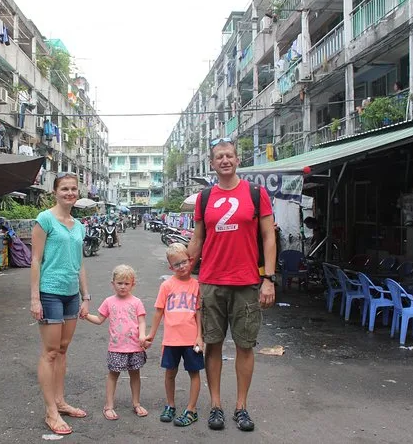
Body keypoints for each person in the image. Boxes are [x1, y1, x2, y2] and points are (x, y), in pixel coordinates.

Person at [188, 138, 276, 432]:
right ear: (212, 164)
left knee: (245, 346)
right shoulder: (204, 198)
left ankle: (241, 407)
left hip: (246, 282)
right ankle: (215, 405)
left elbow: (269, 237)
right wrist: (182, 269)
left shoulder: (256, 193)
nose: (224, 160)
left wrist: (268, 279)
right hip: (211, 282)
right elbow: (198, 238)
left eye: (229, 155)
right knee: (212, 344)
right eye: (219, 157)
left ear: (238, 160)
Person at [30, 171, 91, 436]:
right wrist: (35, 298)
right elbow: (35, 260)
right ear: (54, 192)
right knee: (51, 351)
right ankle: (50, 411)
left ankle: (60, 401)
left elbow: (79, 263)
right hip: (50, 292)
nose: (69, 193)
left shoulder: (79, 226)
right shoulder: (45, 219)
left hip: (71, 294)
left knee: (63, 349)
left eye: (73, 189)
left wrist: (85, 296)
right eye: (64, 188)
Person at [144, 243, 203, 427]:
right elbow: (158, 312)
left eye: (184, 262)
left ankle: (191, 409)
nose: (182, 266)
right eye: (177, 264)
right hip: (171, 339)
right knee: (170, 373)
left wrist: (200, 336)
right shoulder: (167, 285)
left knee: (194, 373)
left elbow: (199, 312)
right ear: (171, 267)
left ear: (190, 260)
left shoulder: (196, 285)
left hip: (191, 339)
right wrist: (151, 334)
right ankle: (170, 405)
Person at [84, 264, 148, 421]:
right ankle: (109, 405)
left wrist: (142, 335)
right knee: (113, 375)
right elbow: (99, 319)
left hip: (135, 346)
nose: (123, 286)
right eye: (119, 283)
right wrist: (86, 316)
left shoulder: (137, 302)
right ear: (113, 284)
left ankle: (136, 403)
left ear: (133, 284)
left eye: (126, 283)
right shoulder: (109, 301)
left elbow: (141, 321)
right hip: (116, 347)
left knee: (135, 374)